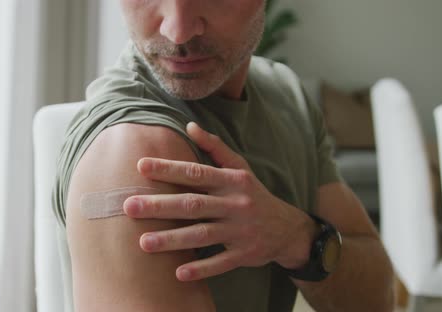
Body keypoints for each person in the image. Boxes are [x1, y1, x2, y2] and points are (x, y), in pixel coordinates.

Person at [52, 0, 395, 311]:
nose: (178, 30)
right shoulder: (131, 153)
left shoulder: (286, 96)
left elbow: (377, 299)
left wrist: (296, 238)